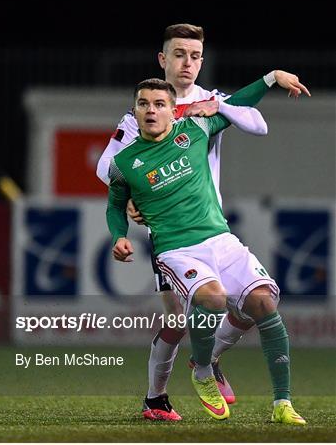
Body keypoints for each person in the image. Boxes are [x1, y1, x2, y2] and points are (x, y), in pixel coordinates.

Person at [97, 23, 310, 421]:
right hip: (170, 232)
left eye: (194, 56)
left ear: (202, 61)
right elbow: (107, 168)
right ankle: (156, 398)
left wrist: (255, 87)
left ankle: (207, 360)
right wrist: (128, 205)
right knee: (179, 319)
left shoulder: (208, 104)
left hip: (212, 225)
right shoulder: (143, 110)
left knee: (254, 303)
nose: (187, 63)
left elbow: (258, 124)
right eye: (178, 54)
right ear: (163, 59)